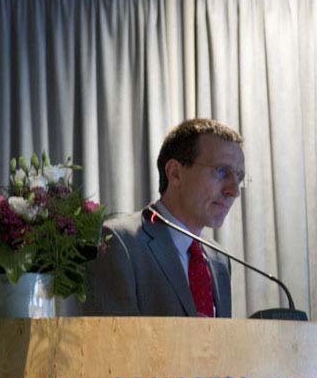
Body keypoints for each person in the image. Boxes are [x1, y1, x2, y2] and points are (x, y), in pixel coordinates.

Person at [83, 118, 245, 317]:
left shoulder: (219, 259)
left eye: (239, 177)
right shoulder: (117, 242)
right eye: (221, 171)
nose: (234, 191)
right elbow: (112, 335)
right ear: (175, 173)